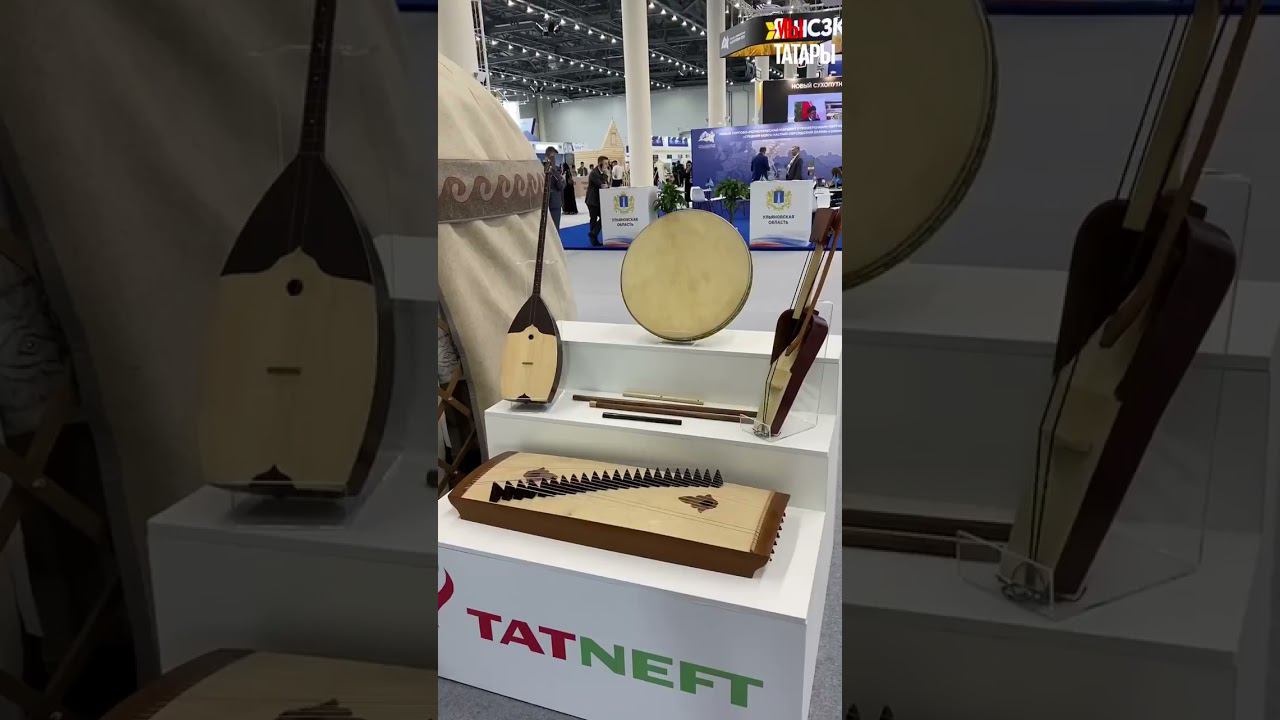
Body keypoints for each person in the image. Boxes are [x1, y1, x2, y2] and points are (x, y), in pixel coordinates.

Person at [586, 155, 609, 246]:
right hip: (592, 200)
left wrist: (605, 174)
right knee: (593, 219)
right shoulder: (594, 173)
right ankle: (594, 239)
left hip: (598, 200)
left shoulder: (602, 173)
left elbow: (607, 184)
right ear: (600, 164)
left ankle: (593, 234)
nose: (607, 165)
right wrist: (605, 175)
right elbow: (602, 185)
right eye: (605, 163)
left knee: (603, 217)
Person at [542, 147, 565, 230]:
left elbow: (561, 185)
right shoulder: (547, 169)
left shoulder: (556, 169)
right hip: (551, 202)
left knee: (552, 228)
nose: (554, 159)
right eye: (553, 156)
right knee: (553, 228)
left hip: (552, 202)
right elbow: (560, 185)